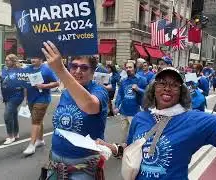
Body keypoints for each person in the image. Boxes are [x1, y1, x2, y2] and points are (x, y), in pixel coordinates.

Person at [96, 55, 216, 179]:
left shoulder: (195, 120)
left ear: (182, 92)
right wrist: (113, 148)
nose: (167, 88)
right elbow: (133, 148)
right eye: (162, 83)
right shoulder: (141, 118)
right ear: (153, 89)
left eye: (174, 84)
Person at [41, 42, 109, 179]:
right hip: (55, 163)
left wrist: (60, 70)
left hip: (83, 168)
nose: (78, 71)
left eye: (84, 68)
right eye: (74, 66)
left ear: (92, 72)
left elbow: (90, 106)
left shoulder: (99, 90)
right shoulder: (66, 92)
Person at [23, 57, 59, 156]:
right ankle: (40, 139)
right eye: (31, 57)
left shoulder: (46, 69)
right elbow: (25, 83)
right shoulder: (27, 69)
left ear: (40, 59)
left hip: (42, 99)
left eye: (35, 57)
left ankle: (31, 145)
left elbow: (56, 83)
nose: (32, 59)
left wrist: (44, 86)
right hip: (31, 98)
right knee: (37, 120)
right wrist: (25, 98)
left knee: (35, 121)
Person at [115, 61, 147, 142]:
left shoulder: (142, 80)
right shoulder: (123, 81)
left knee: (134, 133)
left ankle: (133, 150)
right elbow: (120, 94)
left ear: (135, 68)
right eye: (127, 68)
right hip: (123, 111)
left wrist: (138, 89)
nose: (128, 69)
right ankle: (123, 149)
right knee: (123, 134)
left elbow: (148, 93)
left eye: (130, 67)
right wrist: (116, 106)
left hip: (135, 112)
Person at [1, 54, 25, 145]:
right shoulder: (4, 69)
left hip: (17, 95)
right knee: (13, 114)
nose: (6, 61)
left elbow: (25, 84)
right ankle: (15, 133)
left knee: (7, 115)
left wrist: (26, 98)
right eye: (5, 60)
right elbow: (1, 80)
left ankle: (10, 136)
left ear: (13, 61)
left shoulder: (20, 70)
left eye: (8, 60)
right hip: (6, 95)